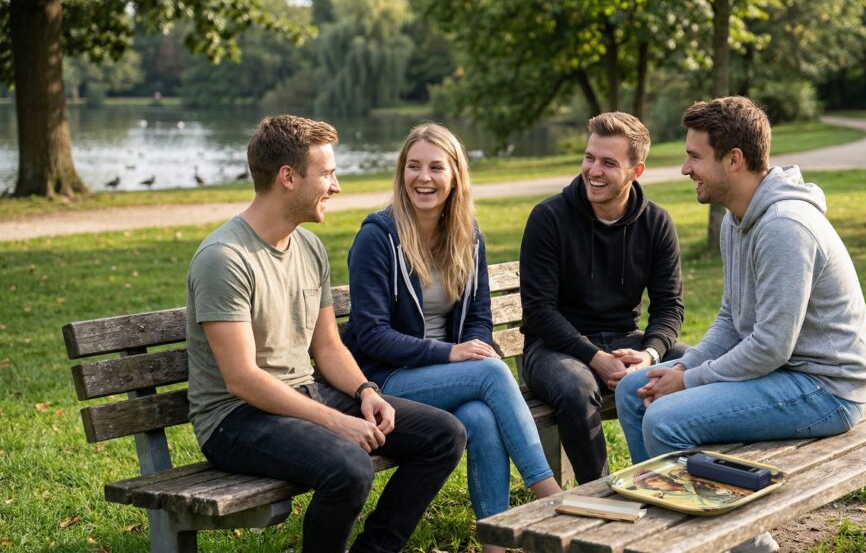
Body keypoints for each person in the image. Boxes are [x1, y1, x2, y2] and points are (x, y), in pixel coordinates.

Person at [186, 115, 466, 553]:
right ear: (288, 177)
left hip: (302, 393)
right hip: (235, 419)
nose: (336, 186)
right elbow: (241, 378)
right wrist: (337, 422)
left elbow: (328, 345)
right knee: (350, 466)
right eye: (328, 174)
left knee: (443, 434)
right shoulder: (224, 258)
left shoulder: (309, 247)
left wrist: (367, 392)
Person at [616, 96, 866, 553]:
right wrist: (685, 367)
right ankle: (674, 529)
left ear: (733, 160)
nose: (684, 168)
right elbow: (732, 318)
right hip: (784, 374)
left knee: (665, 417)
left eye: (694, 156)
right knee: (634, 392)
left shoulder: (783, 226)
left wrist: (689, 379)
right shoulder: (736, 220)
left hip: (826, 388)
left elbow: (771, 345)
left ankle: (746, 545)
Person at [343, 123, 561, 552]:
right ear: (401, 173)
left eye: (436, 167)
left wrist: (468, 349)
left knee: (480, 415)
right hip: (386, 381)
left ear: (455, 174)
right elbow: (369, 334)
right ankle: (552, 500)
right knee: (493, 374)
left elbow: (479, 318)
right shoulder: (377, 238)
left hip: (447, 375)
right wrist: (450, 353)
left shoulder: (467, 236)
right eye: (413, 166)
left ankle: (495, 543)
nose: (423, 178)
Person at [519, 111, 687, 483]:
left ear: (636, 171)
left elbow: (669, 306)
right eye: (589, 157)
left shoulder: (656, 223)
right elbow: (539, 311)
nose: (593, 170)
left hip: (628, 343)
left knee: (694, 363)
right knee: (577, 388)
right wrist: (594, 358)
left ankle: (686, 477)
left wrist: (649, 354)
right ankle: (600, 495)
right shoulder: (549, 217)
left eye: (608, 163)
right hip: (552, 348)